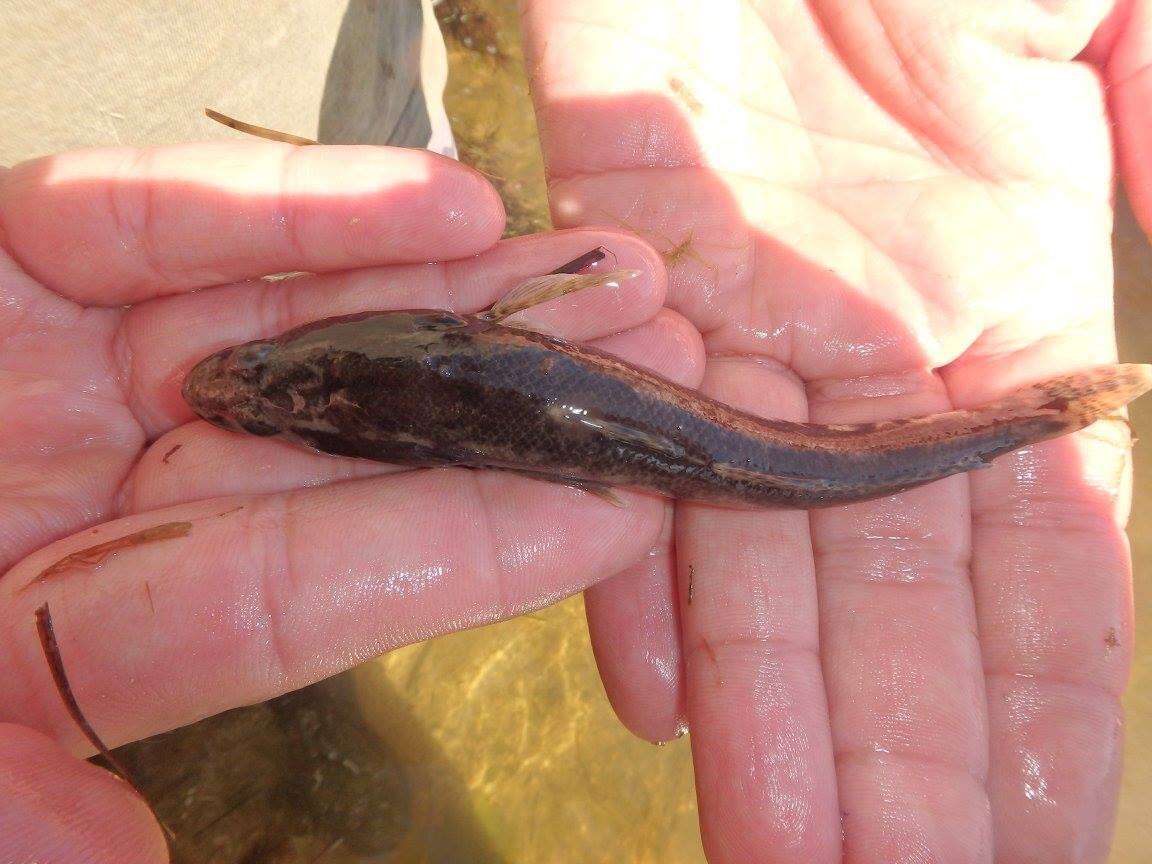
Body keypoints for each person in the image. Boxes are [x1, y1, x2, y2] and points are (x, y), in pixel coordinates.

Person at [2, 1, 1149, 861]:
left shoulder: (343, 373)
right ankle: (1029, 420)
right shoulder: (350, 361)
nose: (246, 385)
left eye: (256, 382)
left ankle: (1030, 420)